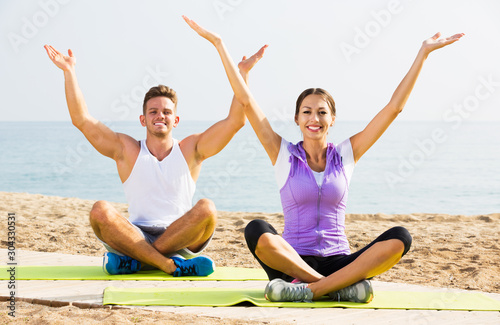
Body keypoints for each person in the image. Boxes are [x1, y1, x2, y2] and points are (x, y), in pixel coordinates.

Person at [184, 17, 464, 301]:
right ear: (296, 119)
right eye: (306, 112)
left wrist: (423, 53)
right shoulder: (282, 153)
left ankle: (311, 290)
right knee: (256, 229)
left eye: (321, 112)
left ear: (332, 119)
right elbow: (246, 102)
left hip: (338, 261)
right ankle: (331, 286)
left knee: (401, 236)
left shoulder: (346, 154)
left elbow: (394, 108)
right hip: (292, 262)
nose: (314, 118)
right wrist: (221, 46)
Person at [43, 28, 267, 276]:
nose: (160, 115)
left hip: (180, 237)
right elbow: (82, 120)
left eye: (166, 112)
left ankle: (139, 261)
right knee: (99, 210)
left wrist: (243, 74)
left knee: (207, 209)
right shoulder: (126, 150)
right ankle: (168, 264)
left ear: (176, 120)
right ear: (143, 119)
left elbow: (235, 122)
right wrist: (69, 72)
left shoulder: (191, 149)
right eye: (153, 111)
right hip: (135, 234)